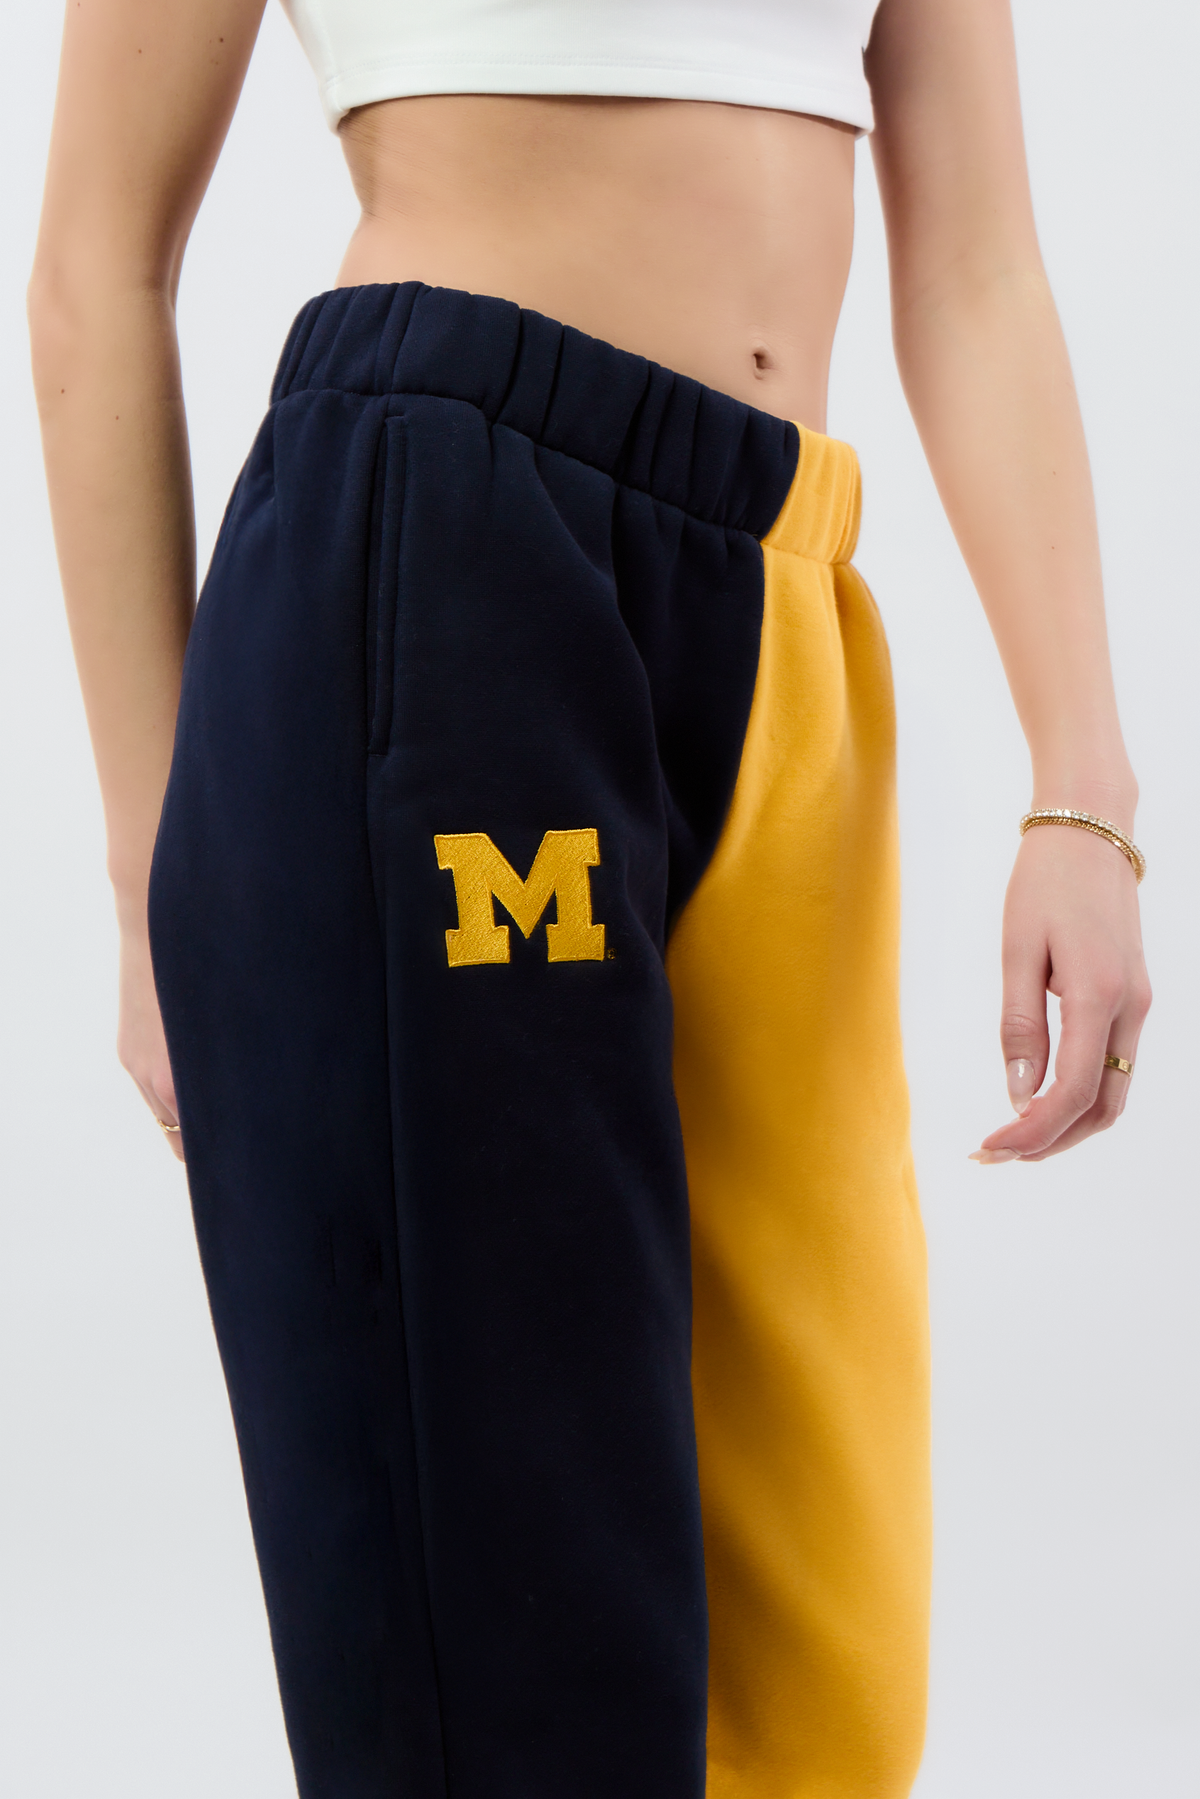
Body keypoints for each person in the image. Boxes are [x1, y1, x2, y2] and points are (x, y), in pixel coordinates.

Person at [28, 0, 1151, 1794]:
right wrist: (150, 867)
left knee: (824, 1670)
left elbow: (980, 261)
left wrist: (1083, 787)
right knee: (525, 1659)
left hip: (787, 599)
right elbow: (99, 261)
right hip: (455, 553)